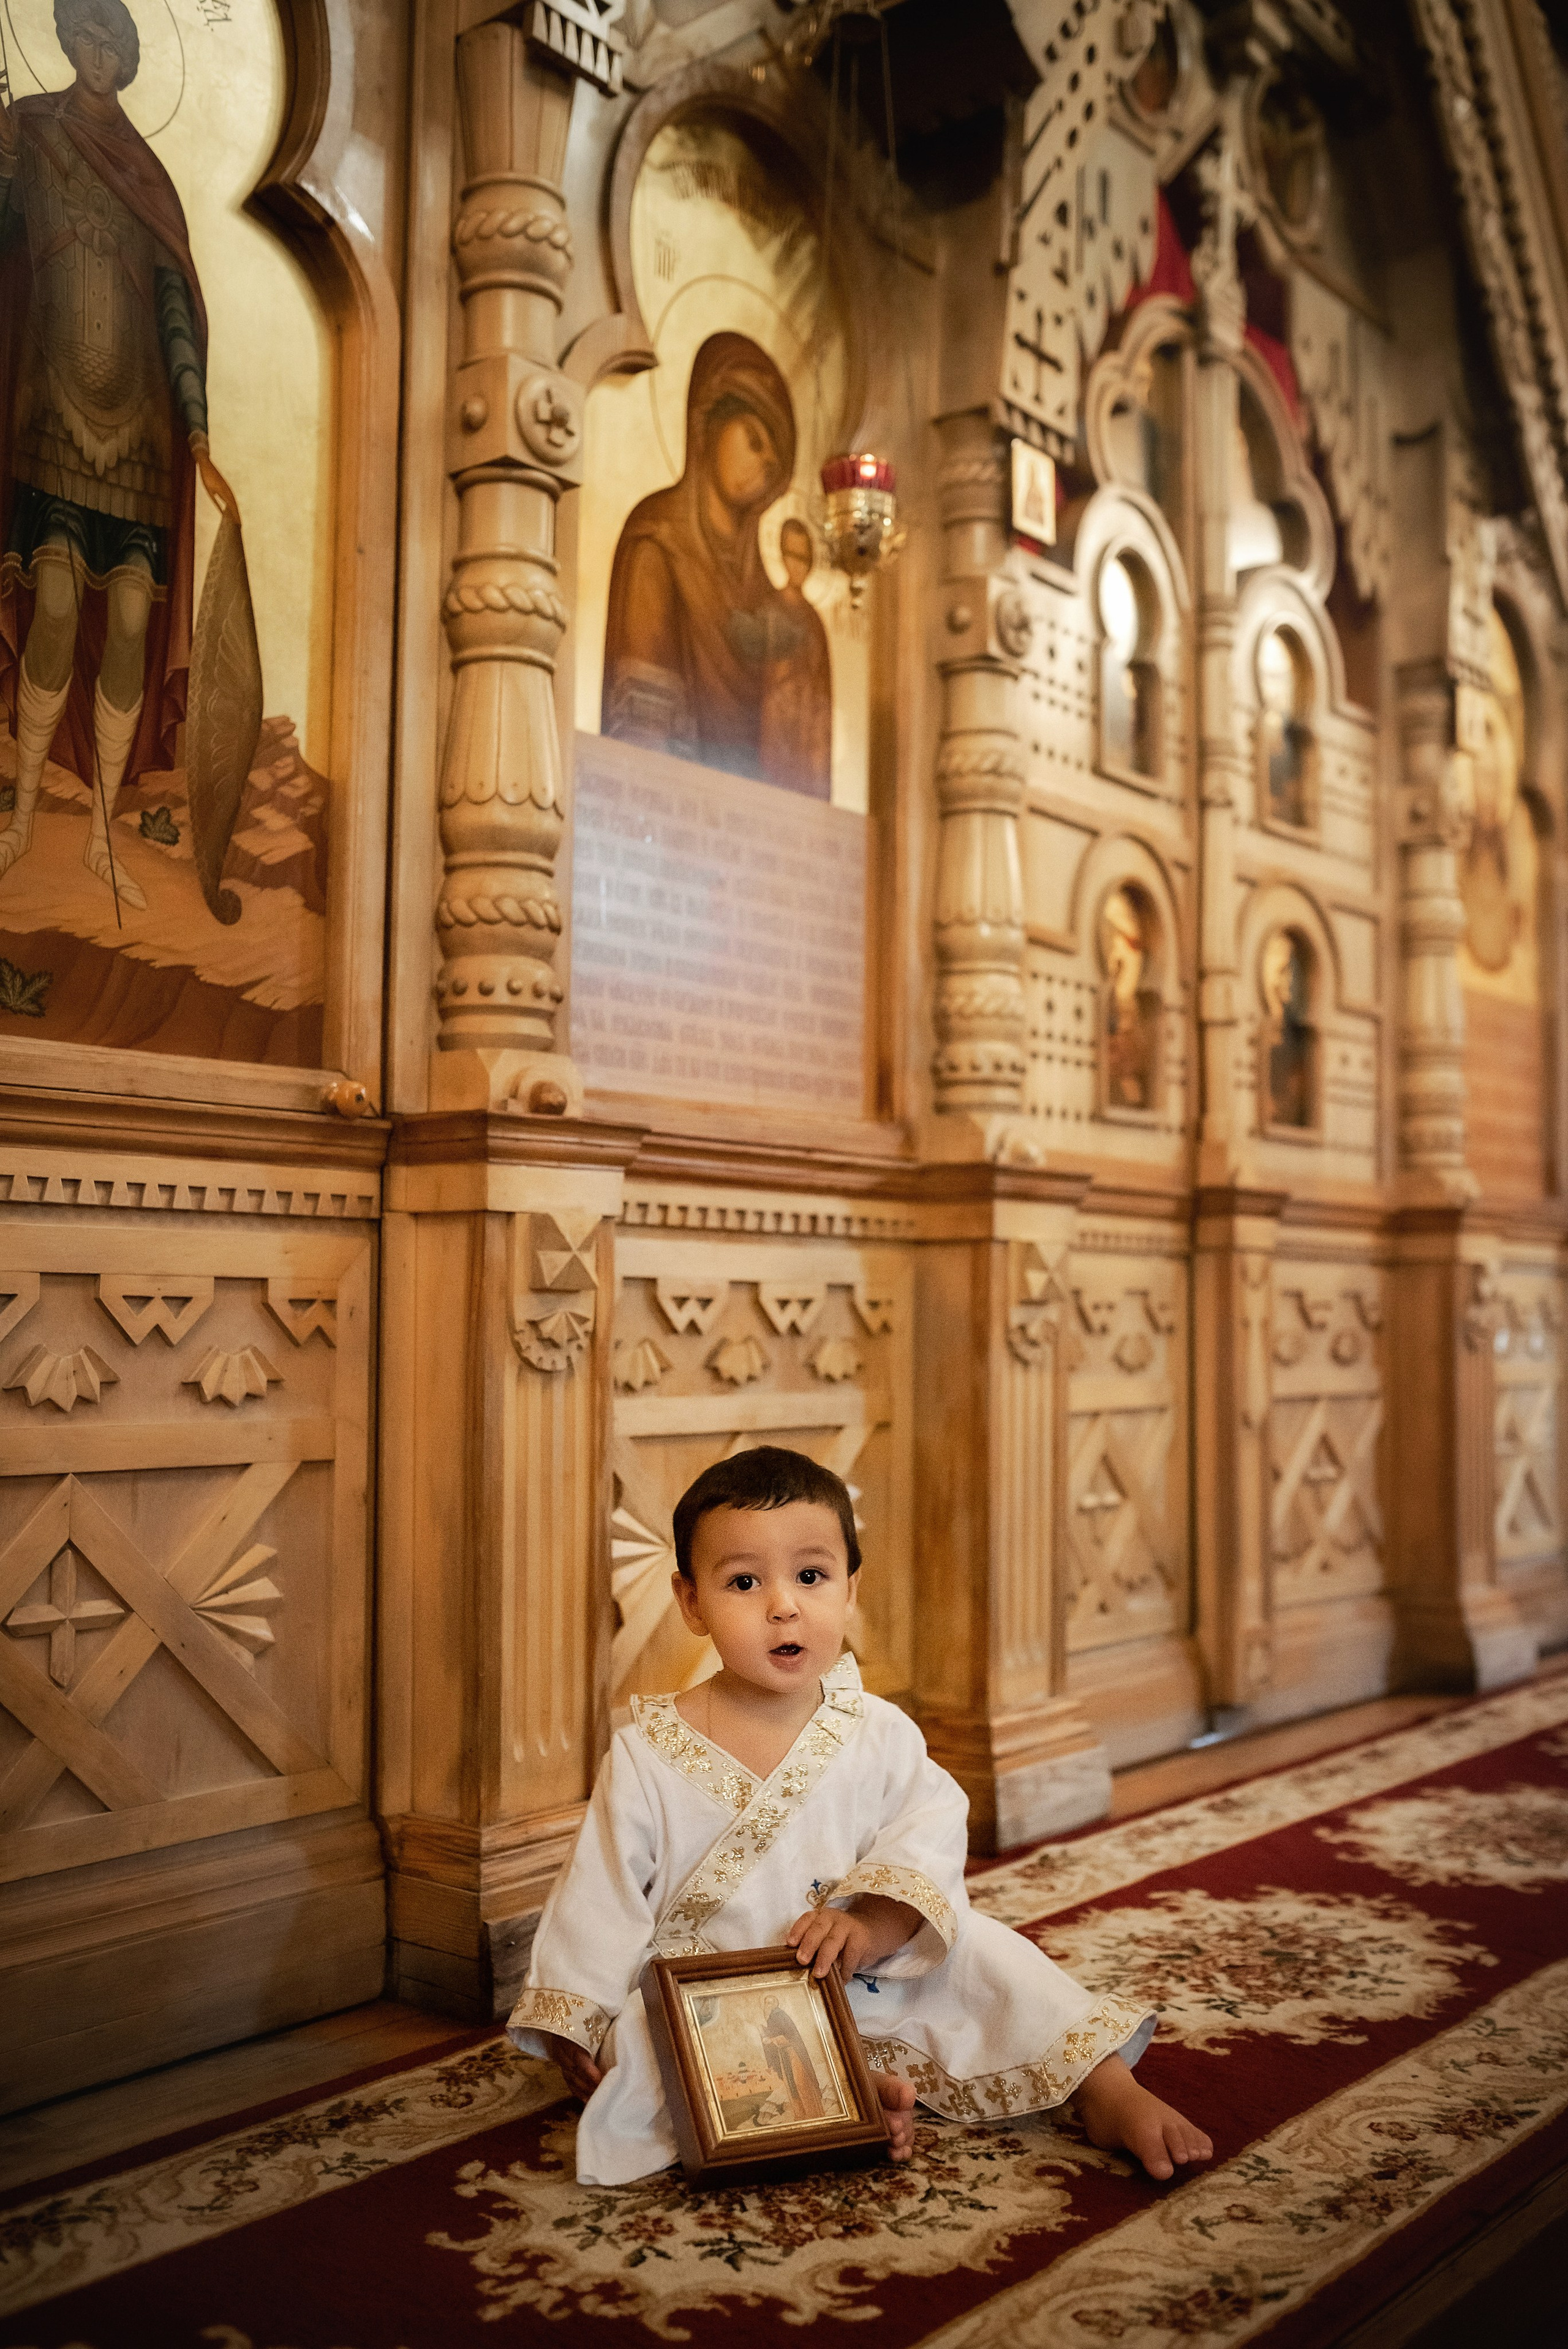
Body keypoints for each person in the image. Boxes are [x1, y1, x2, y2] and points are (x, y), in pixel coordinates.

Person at [508, 1445, 1212, 2188]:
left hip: (869, 1975)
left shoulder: (879, 1731)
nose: (783, 1605)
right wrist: (578, 2017)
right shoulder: (646, 1750)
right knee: (645, 2046)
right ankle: (844, 2098)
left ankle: (1105, 2087)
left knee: (991, 1957)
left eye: (811, 1576)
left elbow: (926, 1836)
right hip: (722, 2002)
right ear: (690, 1602)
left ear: (850, 1590)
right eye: (744, 1582)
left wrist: (872, 1926)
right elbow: (601, 1894)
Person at [0, 0, 239, 908]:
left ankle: (104, 833)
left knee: (134, 623)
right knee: (57, 605)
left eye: (114, 44)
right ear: (67, 43)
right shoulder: (27, 134)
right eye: (87, 39)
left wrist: (199, 429)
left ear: (130, 58)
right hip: (53, 409)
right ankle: (24, 816)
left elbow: (176, 310)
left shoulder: (148, 178)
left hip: (139, 428)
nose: (98, 56)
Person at [601, 332, 831, 798]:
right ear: (707, 425)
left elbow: (798, 760)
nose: (765, 464)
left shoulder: (773, 603)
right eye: (754, 441)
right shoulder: (657, 545)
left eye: (775, 463)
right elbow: (642, 735)